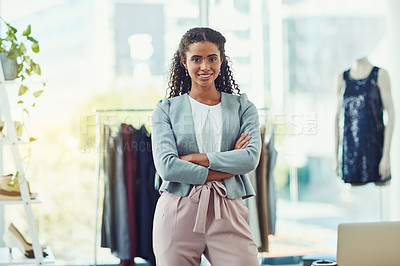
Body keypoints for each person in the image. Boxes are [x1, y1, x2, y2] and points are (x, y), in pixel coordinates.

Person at [151, 27, 261, 266]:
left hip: (228, 209)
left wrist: (195, 158)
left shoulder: (243, 107)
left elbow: (250, 159)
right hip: (178, 209)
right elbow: (168, 168)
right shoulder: (165, 110)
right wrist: (230, 163)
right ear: (184, 62)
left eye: (212, 58)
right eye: (196, 59)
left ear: (222, 60)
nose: (205, 67)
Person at [334, 57, 395, 185]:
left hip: (375, 153)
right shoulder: (342, 78)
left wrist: (386, 155)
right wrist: (335, 155)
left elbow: (391, 113)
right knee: (354, 198)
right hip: (351, 155)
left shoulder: (380, 75)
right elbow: (336, 118)